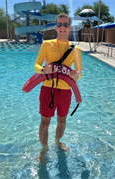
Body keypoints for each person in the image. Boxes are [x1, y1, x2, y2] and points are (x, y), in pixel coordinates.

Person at [34, 13, 83, 164]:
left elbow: (78, 73)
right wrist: (43, 70)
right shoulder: (47, 44)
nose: (63, 27)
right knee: (45, 123)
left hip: (66, 91)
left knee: (62, 120)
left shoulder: (76, 49)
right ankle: (43, 149)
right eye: (60, 24)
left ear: (70, 27)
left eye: (65, 24)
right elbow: (36, 65)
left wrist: (76, 77)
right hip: (47, 89)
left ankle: (57, 141)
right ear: (56, 27)